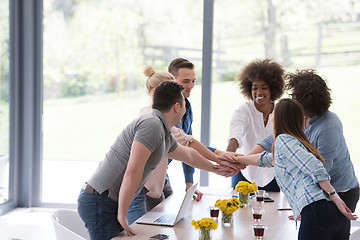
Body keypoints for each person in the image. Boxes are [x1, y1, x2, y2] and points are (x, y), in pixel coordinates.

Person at [77, 81, 237, 240]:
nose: (185, 109)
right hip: (100, 201)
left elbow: (189, 155)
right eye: (184, 103)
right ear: (176, 106)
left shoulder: (163, 131)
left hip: (106, 201)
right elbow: (133, 170)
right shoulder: (151, 125)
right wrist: (122, 214)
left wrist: (217, 168)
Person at [126, 66, 240, 225]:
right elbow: (189, 147)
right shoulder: (153, 121)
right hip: (140, 190)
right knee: (144, 232)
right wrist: (218, 161)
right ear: (155, 93)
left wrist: (218, 158)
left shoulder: (164, 116)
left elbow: (189, 143)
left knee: (172, 224)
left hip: (157, 184)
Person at [244, 69, 359, 213]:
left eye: (293, 96)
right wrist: (243, 159)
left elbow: (321, 171)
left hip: (340, 193)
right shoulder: (301, 118)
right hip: (318, 194)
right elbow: (273, 140)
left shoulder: (328, 126)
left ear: (306, 100)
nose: (291, 100)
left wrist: (303, 205)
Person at [269, 98, 356, 239]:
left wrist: (333, 195)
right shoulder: (299, 144)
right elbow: (268, 159)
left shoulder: (283, 140)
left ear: (278, 118)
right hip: (334, 214)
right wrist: (237, 159)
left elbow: (316, 167)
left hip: (318, 211)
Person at [168, 58, 231, 199]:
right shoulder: (167, 110)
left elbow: (188, 143)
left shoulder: (186, 107)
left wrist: (189, 182)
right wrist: (218, 158)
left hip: (160, 172)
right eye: (186, 81)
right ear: (172, 81)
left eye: (193, 81)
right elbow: (186, 145)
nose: (191, 85)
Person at [226, 59, 284, 191]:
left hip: (273, 174)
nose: (259, 92)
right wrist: (227, 158)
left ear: (273, 89)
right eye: (254, 88)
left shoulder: (280, 111)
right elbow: (235, 136)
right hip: (244, 172)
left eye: (264, 87)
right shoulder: (243, 110)